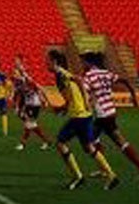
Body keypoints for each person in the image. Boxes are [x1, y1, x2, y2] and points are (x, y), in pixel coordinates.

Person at [48, 49, 117, 190]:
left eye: (47, 61)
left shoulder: (61, 73)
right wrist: (62, 108)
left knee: (60, 143)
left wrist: (85, 101)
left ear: (54, 62)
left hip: (79, 116)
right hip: (84, 115)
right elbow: (71, 96)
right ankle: (111, 175)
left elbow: (79, 80)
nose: (45, 64)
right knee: (89, 147)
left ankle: (78, 177)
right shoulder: (60, 75)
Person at [80, 51, 139, 180]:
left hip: (102, 115)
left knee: (88, 143)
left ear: (88, 62)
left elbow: (83, 92)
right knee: (103, 140)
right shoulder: (105, 73)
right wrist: (133, 96)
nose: (81, 64)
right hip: (110, 112)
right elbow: (124, 80)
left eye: (83, 62)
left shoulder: (89, 77)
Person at [11, 57, 47, 151]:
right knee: (31, 124)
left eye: (15, 73)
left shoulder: (26, 80)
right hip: (29, 104)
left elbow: (38, 88)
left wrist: (44, 100)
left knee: (28, 124)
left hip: (35, 104)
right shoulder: (18, 83)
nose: (14, 74)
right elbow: (18, 94)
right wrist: (17, 106)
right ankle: (46, 141)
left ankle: (23, 144)